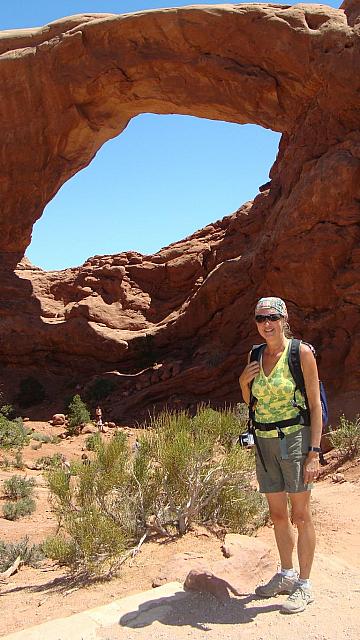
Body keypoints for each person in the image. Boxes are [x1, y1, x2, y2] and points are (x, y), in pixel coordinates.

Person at [239, 296, 322, 614]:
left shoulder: (300, 352)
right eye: (260, 318)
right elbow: (251, 400)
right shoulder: (255, 354)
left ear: (284, 318)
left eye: (271, 317)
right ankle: (286, 574)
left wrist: (314, 453)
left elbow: (315, 406)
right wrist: (242, 382)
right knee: (277, 516)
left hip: (295, 440)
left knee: (301, 515)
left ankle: (304, 585)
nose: (266, 323)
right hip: (264, 441)